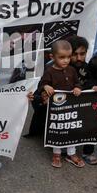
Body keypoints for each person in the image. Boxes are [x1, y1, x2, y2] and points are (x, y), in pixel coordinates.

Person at [37, 40, 84, 168]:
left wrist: (78, 88)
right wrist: (46, 86)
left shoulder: (72, 70)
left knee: (71, 129)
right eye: (62, 57)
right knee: (58, 130)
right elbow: (41, 85)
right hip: (56, 109)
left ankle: (71, 154)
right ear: (52, 57)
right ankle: (56, 153)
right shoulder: (49, 71)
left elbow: (77, 83)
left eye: (68, 57)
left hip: (70, 107)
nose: (66, 60)